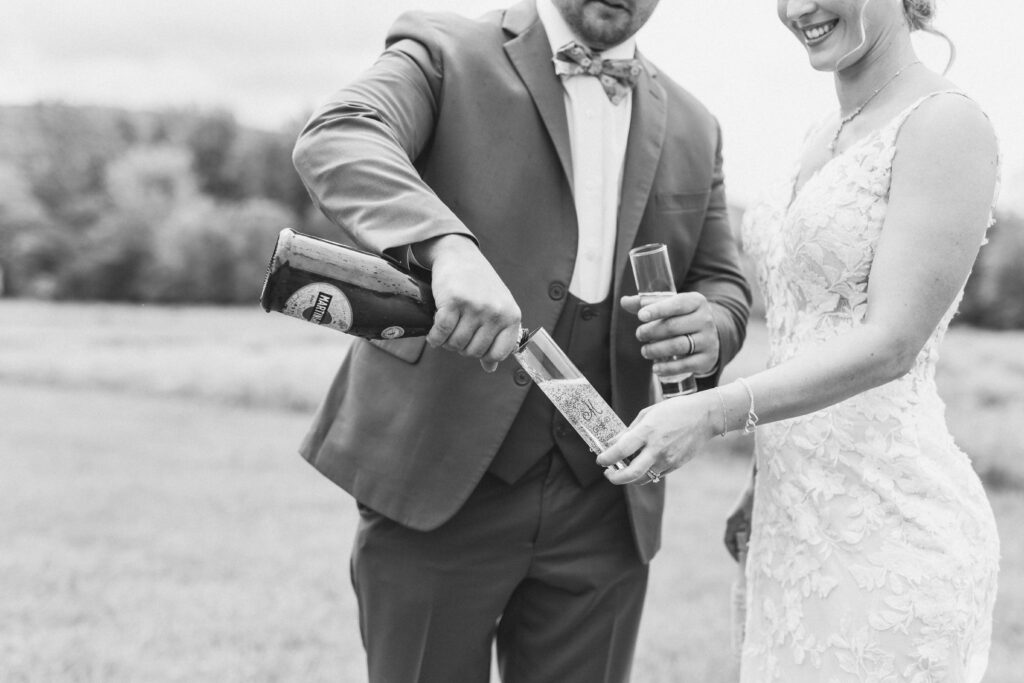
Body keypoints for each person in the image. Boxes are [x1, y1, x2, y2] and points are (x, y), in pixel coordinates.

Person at [290, 1, 751, 682]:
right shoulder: (443, 49)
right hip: (442, 474)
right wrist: (445, 245)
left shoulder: (695, 125)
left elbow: (723, 284)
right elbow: (339, 134)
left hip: (607, 499)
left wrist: (710, 326)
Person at [598, 0, 1001, 679]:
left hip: (893, 534)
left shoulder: (946, 125)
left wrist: (711, 411)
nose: (799, 9)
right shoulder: (822, 132)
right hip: (790, 528)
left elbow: (891, 342)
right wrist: (765, 481)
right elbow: (802, 331)